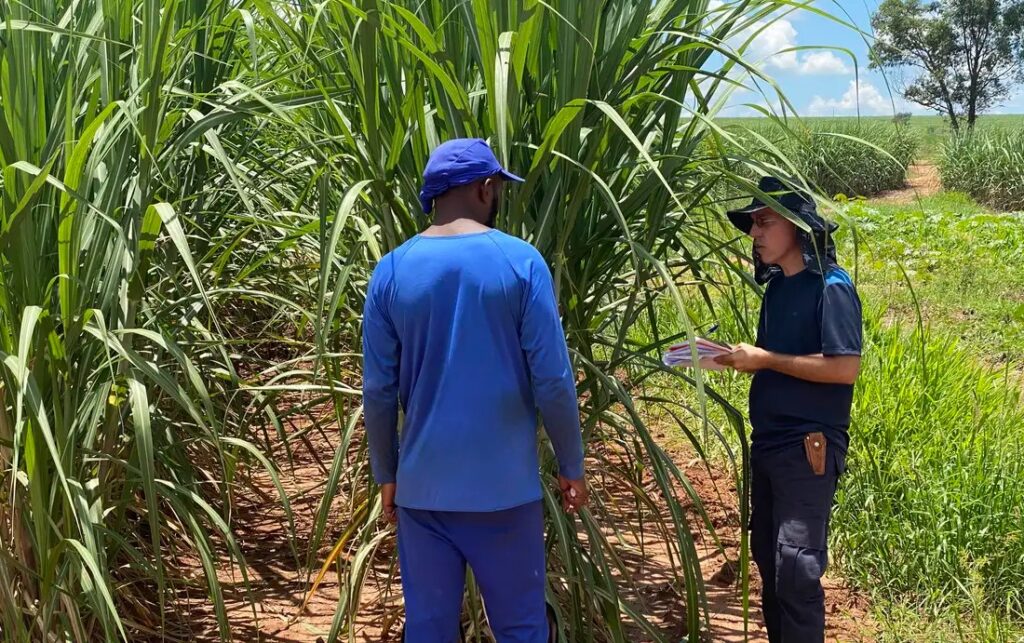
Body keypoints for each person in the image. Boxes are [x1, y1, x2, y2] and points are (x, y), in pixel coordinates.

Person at [361, 138, 587, 643]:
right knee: (522, 628)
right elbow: (552, 380)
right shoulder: (521, 262)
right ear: (486, 188)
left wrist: (387, 474)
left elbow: (377, 391)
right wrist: (572, 464)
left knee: (428, 629)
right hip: (505, 494)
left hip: (424, 493)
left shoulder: (392, 271)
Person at [716, 176, 863, 643]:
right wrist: (741, 359)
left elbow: (844, 368)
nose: (754, 233)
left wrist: (766, 360)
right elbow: (779, 362)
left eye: (763, 221)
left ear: (797, 227)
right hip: (770, 445)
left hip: (807, 447)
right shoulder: (779, 288)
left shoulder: (832, 287)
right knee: (768, 557)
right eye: (752, 224)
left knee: (797, 568)